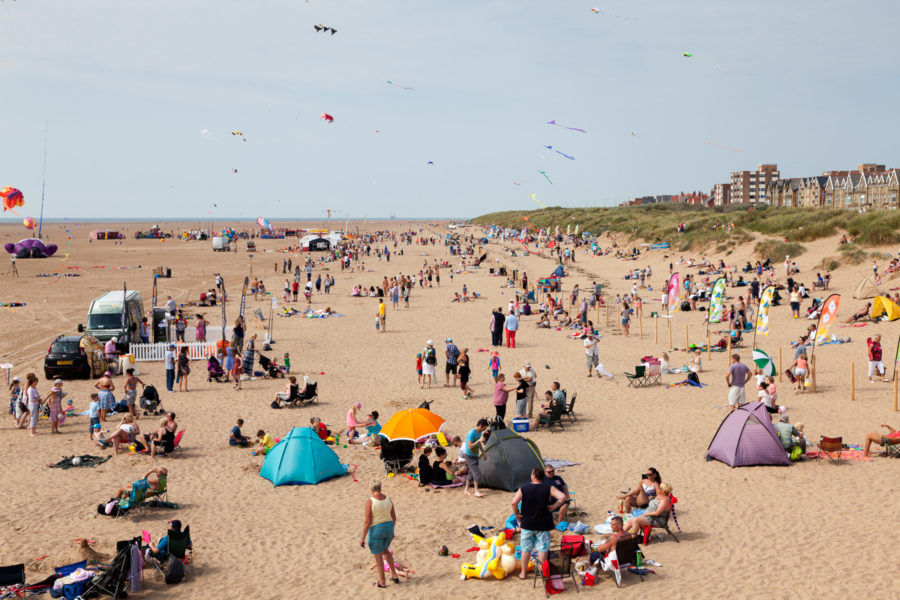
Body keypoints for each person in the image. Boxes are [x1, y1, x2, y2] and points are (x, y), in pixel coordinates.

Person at [510, 467, 568, 580]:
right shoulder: (548, 487)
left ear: (533, 476)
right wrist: (554, 506)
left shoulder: (524, 487)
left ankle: (523, 573)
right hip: (543, 523)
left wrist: (517, 515)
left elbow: (514, 503)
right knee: (542, 548)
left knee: (526, 549)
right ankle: (542, 571)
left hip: (527, 523)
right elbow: (563, 497)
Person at [360, 480, 400, 588]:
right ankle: (394, 575)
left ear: (371, 489)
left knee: (378, 557)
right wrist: (392, 530)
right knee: (386, 551)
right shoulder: (388, 499)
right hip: (389, 527)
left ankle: (382, 582)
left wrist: (362, 537)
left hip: (377, 529)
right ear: (380, 488)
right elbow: (394, 517)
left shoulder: (370, 501)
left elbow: (368, 521)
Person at [461, 418, 490, 498]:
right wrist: (479, 441)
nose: (484, 430)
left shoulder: (479, 433)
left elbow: (479, 444)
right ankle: (476, 491)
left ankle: (466, 490)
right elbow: (470, 446)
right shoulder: (471, 433)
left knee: (471, 473)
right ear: (480, 426)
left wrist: (483, 453)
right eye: (484, 428)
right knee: (477, 474)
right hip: (469, 456)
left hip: (475, 455)